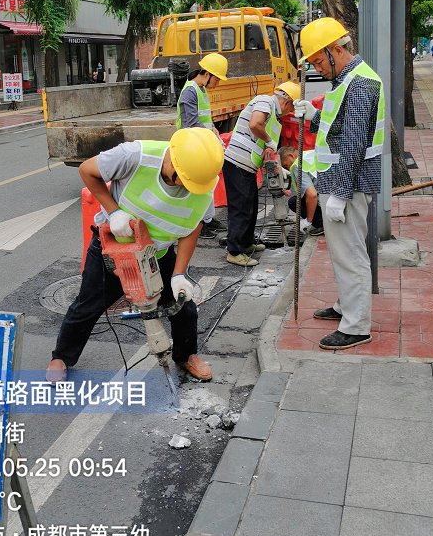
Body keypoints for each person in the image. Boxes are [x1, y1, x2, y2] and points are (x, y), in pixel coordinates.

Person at [46, 128, 224, 383]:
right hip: (115, 251)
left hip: (158, 255)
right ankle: (61, 357)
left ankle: (186, 355)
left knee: (184, 308)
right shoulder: (135, 156)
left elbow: (192, 226)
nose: (185, 187)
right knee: (87, 306)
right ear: (172, 158)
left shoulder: (203, 184)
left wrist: (179, 274)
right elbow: (87, 170)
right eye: (181, 179)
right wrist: (114, 211)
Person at [293, 17, 384, 350]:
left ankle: (357, 325)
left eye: (318, 59)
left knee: (351, 255)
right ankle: (347, 306)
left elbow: (355, 143)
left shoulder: (360, 83)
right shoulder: (346, 80)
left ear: (335, 50)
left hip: (350, 184)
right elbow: (337, 125)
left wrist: (340, 195)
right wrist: (311, 116)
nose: (317, 67)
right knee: (343, 253)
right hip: (340, 181)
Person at [221, 81, 300, 266]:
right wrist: (269, 140)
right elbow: (255, 124)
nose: (289, 113)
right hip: (237, 161)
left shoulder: (274, 117)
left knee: (251, 206)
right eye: (291, 109)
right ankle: (235, 251)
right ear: (287, 102)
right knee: (240, 207)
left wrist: (278, 167)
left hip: (248, 165)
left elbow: (266, 148)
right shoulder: (265, 101)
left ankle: (246, 242)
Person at [176, 52, 229, 238]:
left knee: (209, 184)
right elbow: (190, 122)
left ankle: (207, 220)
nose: (218, 83)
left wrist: (213, 129)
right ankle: (198, 224)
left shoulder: (201, 89)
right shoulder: (190, 91)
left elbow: (203, 118)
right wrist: (210, 134)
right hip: (192, 145)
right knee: (199, 186)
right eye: (217, 79)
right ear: (207, 74)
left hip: (202, 142)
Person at [278, 145, 324, 236]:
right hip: (336, 195)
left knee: (294, 202)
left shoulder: (296, 166)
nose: (288, 168)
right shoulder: (309, 154)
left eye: (286, 166)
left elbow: (312, 195)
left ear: (291, 156)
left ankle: (322, 224)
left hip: (324, 199)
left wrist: (308, 221)